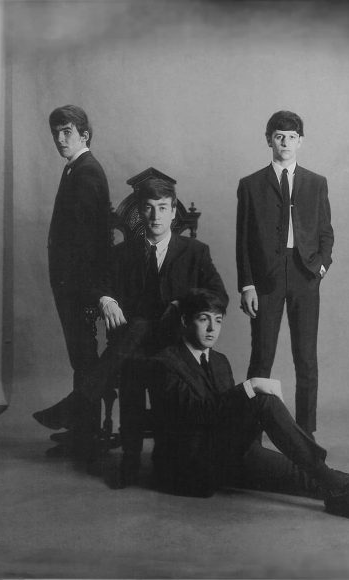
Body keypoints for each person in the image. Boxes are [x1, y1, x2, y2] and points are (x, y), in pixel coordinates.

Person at [145, 289, 349, 522]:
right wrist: (250, 388)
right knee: (262, 400)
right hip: (187, 471)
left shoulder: (220, 361)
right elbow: (198, 415)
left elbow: (226, 418)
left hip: (225, 455)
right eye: (203, 320)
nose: (212, 329)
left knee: (313, 475)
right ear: (185, 321)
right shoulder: (164, 363)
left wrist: (247, 430)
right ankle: (335, 486)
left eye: (218, 321)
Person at [34, 178, 228, 475]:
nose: (155, 216)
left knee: (137, 328)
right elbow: (97, 283)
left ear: (174, 212)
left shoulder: (195, 252)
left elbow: (219, 296)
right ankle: (130, 458)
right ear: (139, 212)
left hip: (174, 343)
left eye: (163, 208)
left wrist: (183, 304)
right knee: (136, 341)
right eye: (148, 209)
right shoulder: (122, 253)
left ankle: (78, 402)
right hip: (133, 347)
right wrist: (106, 298)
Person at [236, 111, 334, 437]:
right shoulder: (250, 186)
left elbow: (325, 232)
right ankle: (250, 434)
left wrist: (321, 265)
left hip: (305, 274)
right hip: (266, 278)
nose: (286, 143)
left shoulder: (316, 183)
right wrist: (247, 285)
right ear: (269, 140)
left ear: (301, 141)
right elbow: (243, 240)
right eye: (279, 136)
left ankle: (306, 435)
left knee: (306, 359)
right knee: (261, 356)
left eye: (292, 137)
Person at [34, 105, 111, 443]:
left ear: (85, 135)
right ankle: (85, 426)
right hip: (75, 283)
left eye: (67, 132)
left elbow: (85, 242)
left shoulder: (87, 172)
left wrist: (88, 290)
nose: (60, 139)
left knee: (83, 355)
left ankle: (86, 429)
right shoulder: (76, 169)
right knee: (81, 356)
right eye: (56, 132)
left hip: (80, 285)